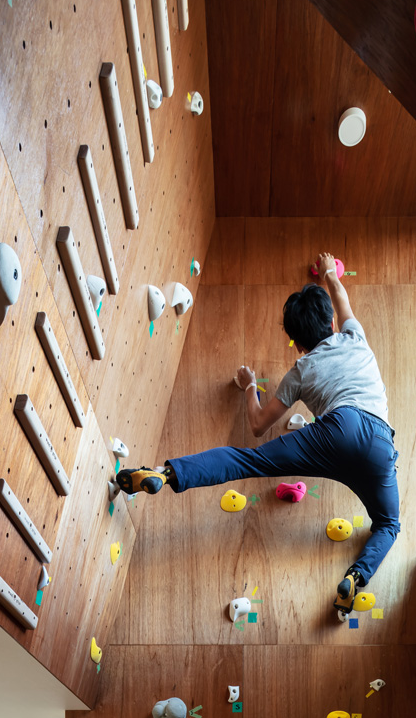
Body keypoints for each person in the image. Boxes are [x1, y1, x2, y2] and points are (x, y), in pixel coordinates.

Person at [117, 253, 400, 615]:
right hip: (379, 440)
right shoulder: (354, 337)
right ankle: (355, 579)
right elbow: (341, 298)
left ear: (296, 343)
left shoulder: (299, 371)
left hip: (336, 429)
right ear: (331, 321)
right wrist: (328, 271)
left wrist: (250, 386)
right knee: (389, 524)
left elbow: (257, 425)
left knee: (246, 461)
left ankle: (165, 473)